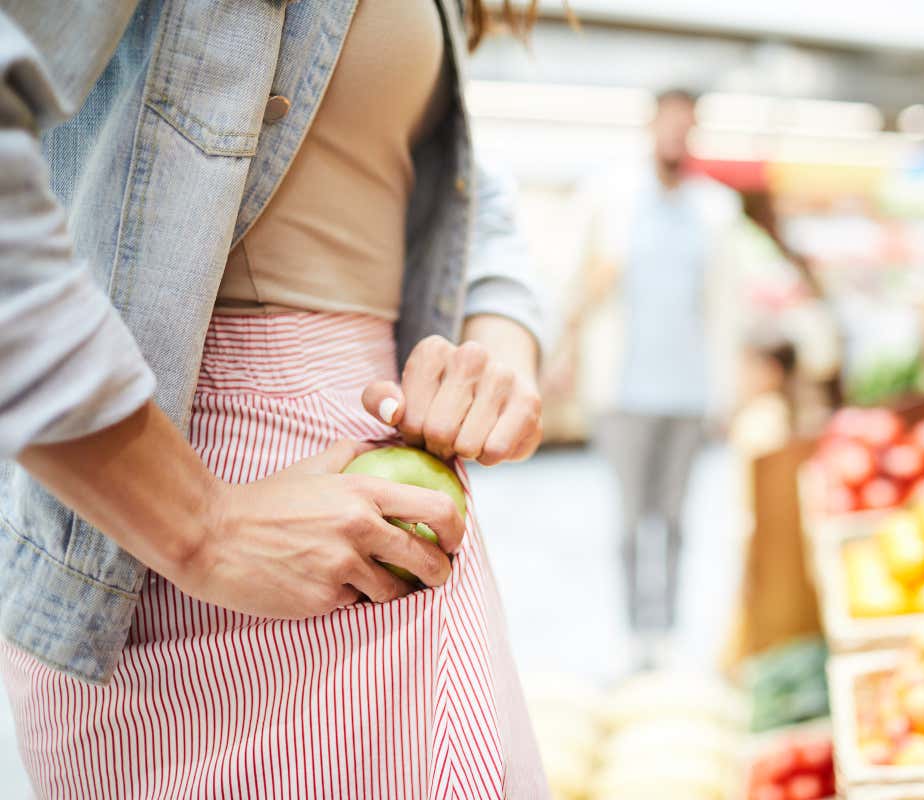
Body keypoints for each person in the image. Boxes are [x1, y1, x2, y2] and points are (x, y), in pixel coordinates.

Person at [0, 1, 550, 796]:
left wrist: (500, 354)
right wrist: (200, 527)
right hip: (193, 530)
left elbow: (469, 186)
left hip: (381, 521)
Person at [560, 88, 740, 664]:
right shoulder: (610, 197)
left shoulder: (715, 209)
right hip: (624, 392)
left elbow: (725, 307)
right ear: (651, 126)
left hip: (688, 391)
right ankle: (637, 635)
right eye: (667, 124)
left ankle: (669, 630)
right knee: (632, 520)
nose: (674, 137)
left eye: (685, 127)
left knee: (678, 519)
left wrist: (728, 390)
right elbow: (577, 280)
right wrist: (564, 351)